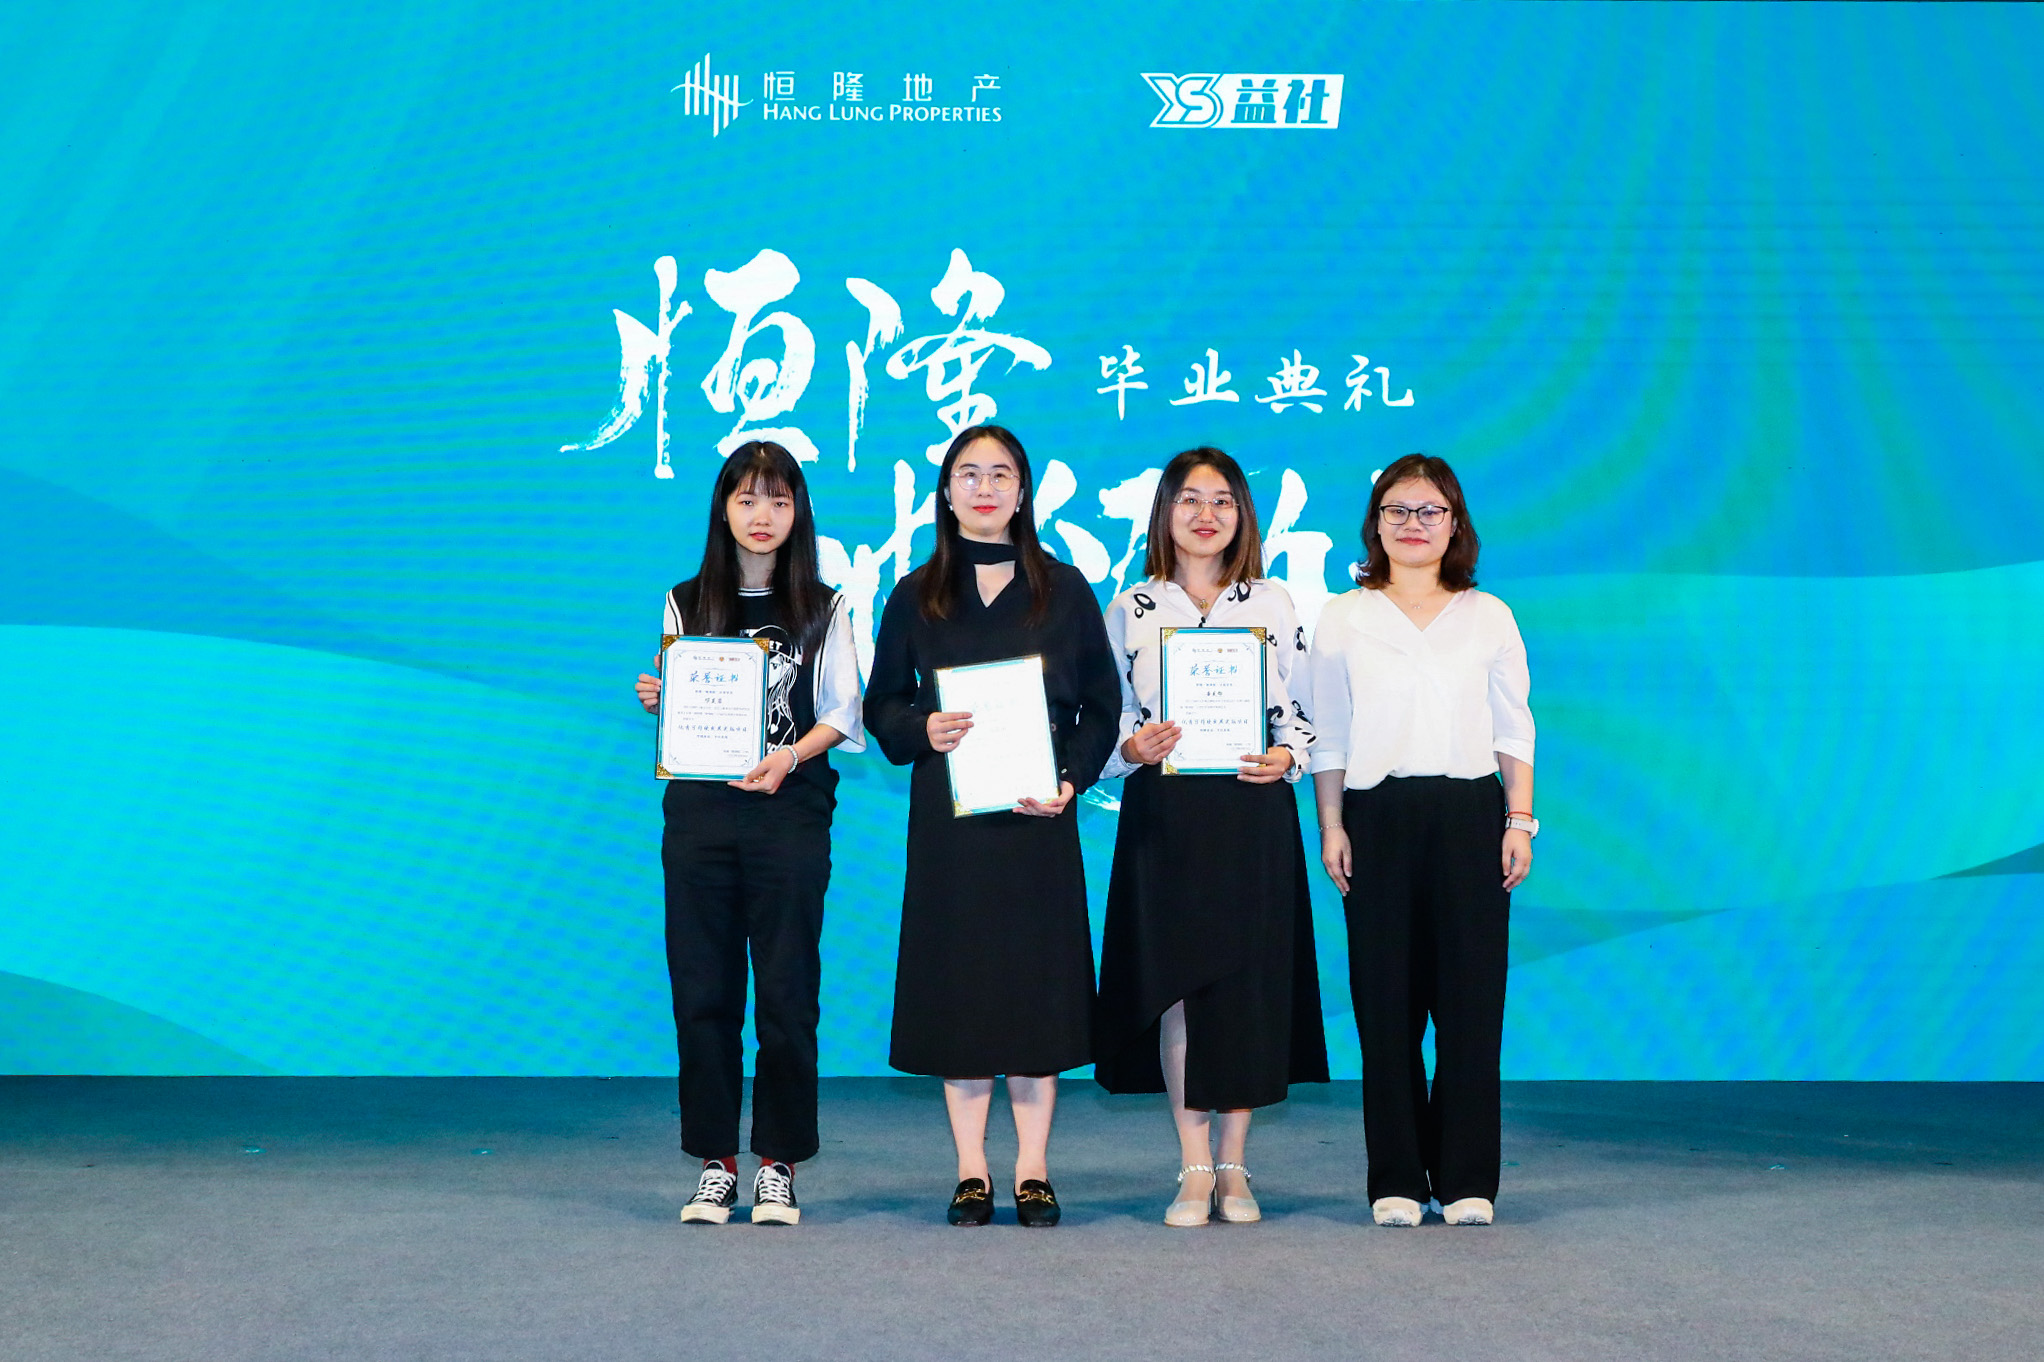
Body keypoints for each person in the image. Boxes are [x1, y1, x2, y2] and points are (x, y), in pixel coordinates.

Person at [863, 424, 1122, 1228]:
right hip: (952, 824)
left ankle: (1034, 1170)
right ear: (946, 492)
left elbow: (1100, 707)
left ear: (1022, 490)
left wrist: (1070, 778)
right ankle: (973, 1170)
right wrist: (922, 729)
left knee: (1034, 995)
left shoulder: (1065, 588)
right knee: (962, 992)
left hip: (1038, 820)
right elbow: (882, 703)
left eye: (1000, 474)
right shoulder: (915, 592)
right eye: (968, 474)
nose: (984, 488)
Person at [1094, 448, 1330, 1227]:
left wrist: (1288, 756)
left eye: (1223, 500)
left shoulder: (1274, 601)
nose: (1205, 513)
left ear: (1243, 515)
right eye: (1189, 498)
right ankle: (1192, 1166)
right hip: (1166, 818)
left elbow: (1302, 710)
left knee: (1246, 991)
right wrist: (1131, 750)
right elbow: (1107, 719)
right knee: (1179, 995)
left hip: (1251, 810)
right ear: (1164, 511)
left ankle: (1235, 1165)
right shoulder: (1132, 606)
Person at [633, 441, 864, 1227]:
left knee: (788, 994)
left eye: (779, 500)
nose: (762, 517)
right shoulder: (684, 600)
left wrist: (787, 758)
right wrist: (661, 697)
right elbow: (685, 710)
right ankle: (715, 1162)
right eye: (746, 499)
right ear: (722, 508)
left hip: (789, 812)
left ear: (798, 512)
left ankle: (777, 1165)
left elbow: (842, 711)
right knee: (702, 991)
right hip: (700, 816)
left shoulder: (825, 606)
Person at [1307, 452, 1536, 1229]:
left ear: (1455, 524)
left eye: (1430, 511)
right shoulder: (1343, 615)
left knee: (1472, 1004)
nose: (1413, 525)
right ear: (1374, 525)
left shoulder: (1488, 615)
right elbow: (1329, 734)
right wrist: (1332, 824)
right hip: (1376, 816)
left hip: (1473, 815)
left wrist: (1519, 819)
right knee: (1386, 1007)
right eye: (1397, 511)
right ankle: (1397, 1178)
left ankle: (1469, 1177)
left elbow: (1515, 727)